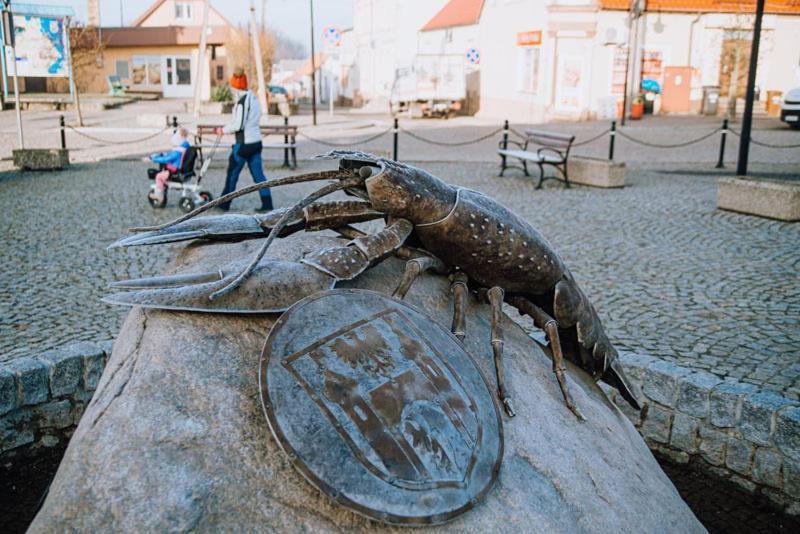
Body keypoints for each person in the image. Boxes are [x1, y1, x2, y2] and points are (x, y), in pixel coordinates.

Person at [215, 68, 273, 212]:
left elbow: (238, 124)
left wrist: (222, 130)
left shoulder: (241, 102)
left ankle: (224, 204)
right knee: (259, 176)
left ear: (235, 86)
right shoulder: (253, 98)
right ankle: (267, 204)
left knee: (232, 174)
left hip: (243, 145)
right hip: (256, 143)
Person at [149, 127, 191, 204]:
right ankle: (162, 190)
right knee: (161, 175)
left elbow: (166, 159)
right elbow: (169, 155)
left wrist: (154, 159)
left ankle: (159, 195)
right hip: (180, 170)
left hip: (173, 171)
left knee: (159, 177)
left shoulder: (178, 151)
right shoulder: (185, 147)